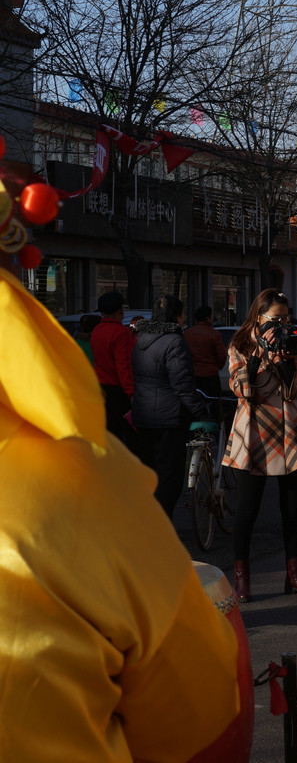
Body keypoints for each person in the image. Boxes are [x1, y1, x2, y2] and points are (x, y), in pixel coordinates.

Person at [0, 267, 241, 761]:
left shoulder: (131, 340)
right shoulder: (86, 484)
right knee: (165, 479)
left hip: (137, 411)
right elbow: (192, 710)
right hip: (154, 417)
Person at [224, 289, 297, 603]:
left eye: (284, 318)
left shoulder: (292, 343)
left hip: (289, 429)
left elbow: (296, 390)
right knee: (247, 511)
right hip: (253, 430)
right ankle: (242, 582)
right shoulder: (240, 344)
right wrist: (260, 357)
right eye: (274, 319)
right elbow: (242, 389)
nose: (280, 324)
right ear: (258, 316)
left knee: (293, 510)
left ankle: (295, 575)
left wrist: (288, 361)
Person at [132, 294, 211, 519]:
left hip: (143, 416)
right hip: (169, 418)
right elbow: (183, 385)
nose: (184, 318)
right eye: (182, 313)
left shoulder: (141, 340)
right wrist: (202, 413)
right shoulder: (174, 341)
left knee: (151, 474)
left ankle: (147, 521)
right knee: (169, 477)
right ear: (177, 316)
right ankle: (160, 525)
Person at [91, 290, 136, 444]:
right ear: (121, 310)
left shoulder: (96, 331)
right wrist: (131, 393)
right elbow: (125, 366)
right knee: (130, 437)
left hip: (101, 389)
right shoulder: (121, 332)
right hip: (119, 392)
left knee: (109, 436)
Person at [184, 304, 228, 399]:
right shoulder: (214, 334)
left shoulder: (187, 334)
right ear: (208, 318)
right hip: (210, 376)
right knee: (213, 403)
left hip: (193, 375)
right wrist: (217, 367)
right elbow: (222, 356)